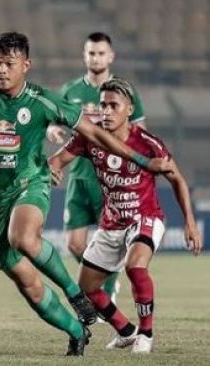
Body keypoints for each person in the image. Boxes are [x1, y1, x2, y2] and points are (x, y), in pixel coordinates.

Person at [0, 32, 171, 356]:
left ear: (26, 65)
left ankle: (75, 293)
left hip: (32, 182)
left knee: (24, 238)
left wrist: (142, 161)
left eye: (9, 64)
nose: (1, 70)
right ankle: (76, 330)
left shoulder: (43, 100)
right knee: (26, 283)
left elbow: (96, 133)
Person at [49, 78, 202, 354]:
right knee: (87, 287)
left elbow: (177, 179)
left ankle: (146, 333)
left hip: (145, 216)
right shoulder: (90, 137)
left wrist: (190, 223)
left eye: (113, 106)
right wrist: (51, 171)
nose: (106, 111)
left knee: (135, 266)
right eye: (102, 105)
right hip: (112, 221)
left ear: (129, 109)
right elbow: (57, 161)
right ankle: (126, 330)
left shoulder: (148, 143)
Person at [47, 32, 147, 302]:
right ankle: (106, 279)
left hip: (112, 181)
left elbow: (140, 132)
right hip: (79, 177)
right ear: (84, 56)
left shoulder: (125, 91)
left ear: (111, 56)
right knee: (75, 244)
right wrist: (54, 132)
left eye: (101, 53)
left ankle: (106, 290)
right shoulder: (70, 91)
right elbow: (52, 123)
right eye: (91, 53)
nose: (96, 57)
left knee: (112, 241)